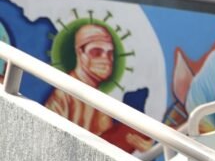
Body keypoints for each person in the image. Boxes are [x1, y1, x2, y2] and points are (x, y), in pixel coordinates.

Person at [45, 23, 153, 153]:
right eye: (96, 52)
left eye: (110, 53)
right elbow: (48, 141)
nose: (105, 59)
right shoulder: (64, 95)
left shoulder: (99, 100)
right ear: (80, 53)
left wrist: (135, 143)